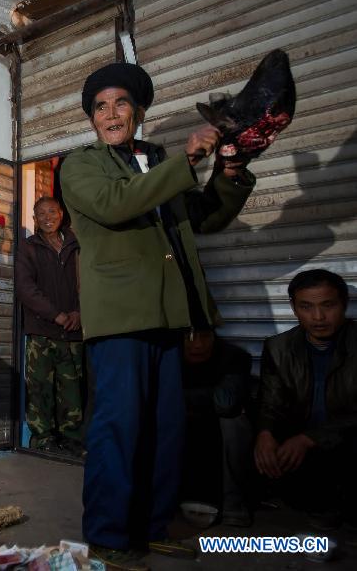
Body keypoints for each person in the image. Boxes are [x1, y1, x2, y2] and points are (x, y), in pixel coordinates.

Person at [59, 62, 255, 569]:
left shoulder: (154, 163)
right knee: (118, 428)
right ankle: (107, 533)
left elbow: (205, 216)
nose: (110, 114)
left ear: (138, 111)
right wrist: (188, 157)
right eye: (100, 107)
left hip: (168, 316)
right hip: (121, 318)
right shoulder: (81, 166)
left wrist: (229, 173)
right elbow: (115, 204)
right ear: (92, 121)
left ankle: (152, 525)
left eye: (120, 102)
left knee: (166, 430)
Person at [254, 269, 357, 530]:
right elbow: (270, 400)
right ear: (293, 307)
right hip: (301, 450)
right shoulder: (279, 347)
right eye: (306, 307)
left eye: (328, 305)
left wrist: (310, 438)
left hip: (345, 445)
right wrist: (265, 434)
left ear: (344, 304)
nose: (318, 317)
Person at [16, 196, 84, 456]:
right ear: (34, 219)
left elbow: (87, 282)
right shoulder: (28, 247)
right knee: (40, 389)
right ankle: (42, 439)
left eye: (52, 211)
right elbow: (25, 288)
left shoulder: (77, 246)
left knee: (72, 390)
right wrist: (56, 315)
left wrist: (79, 312)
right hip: (42, 331)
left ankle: (72, 440)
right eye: (41, 213)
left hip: (73, 332)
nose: (47, 217)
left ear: (62, 213)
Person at [180, 327, 253, 527]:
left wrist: (179, 397)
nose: (197, 344)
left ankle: (234, 505)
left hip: (218, 442)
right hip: (183, 441)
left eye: (204, 335)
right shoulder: (169, 358)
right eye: (188, 337)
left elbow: (225, 403)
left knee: (234, 421)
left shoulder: (233, 357)